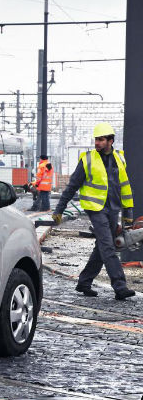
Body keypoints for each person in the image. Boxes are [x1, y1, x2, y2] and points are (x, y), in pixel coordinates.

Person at [52, 123, 136, 301]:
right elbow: (72, 186)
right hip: (95, 209)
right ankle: (120, 286)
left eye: (101, 139)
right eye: (96, 139)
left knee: (101, 247)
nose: (97, 142)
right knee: (108, 246)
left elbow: (125, 188)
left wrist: (128, 214)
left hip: (113, 209)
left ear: (110, 141)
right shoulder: (87, 160)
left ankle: (84, 282)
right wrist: (59, 209)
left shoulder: (120, 159)